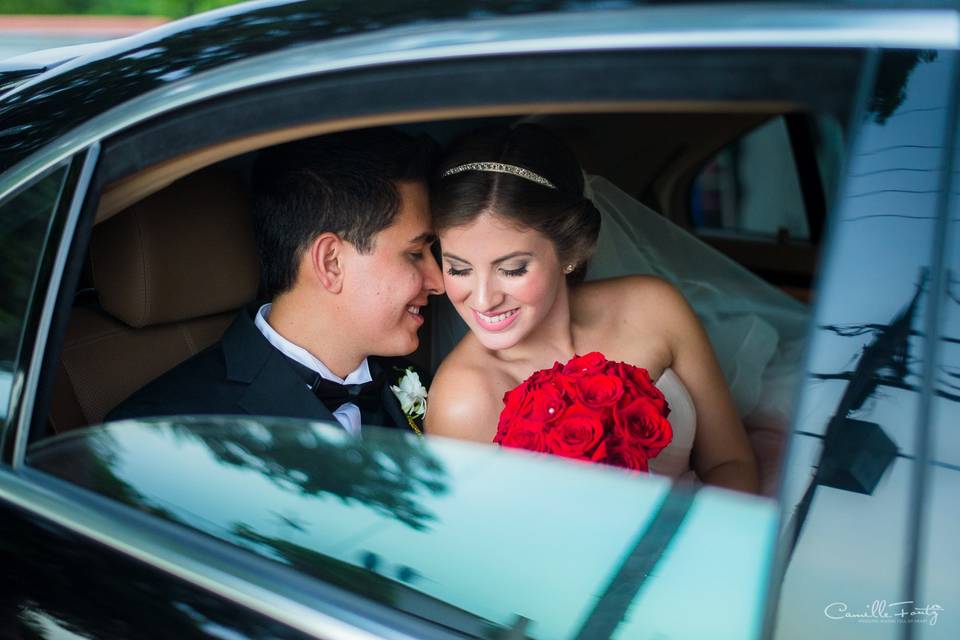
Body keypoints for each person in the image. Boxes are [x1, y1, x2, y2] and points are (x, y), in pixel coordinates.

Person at [424, 124, 759, 493]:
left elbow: (731, 462)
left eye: (512, 269)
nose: (484, 299)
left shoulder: (653, 307)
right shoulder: (463, 400)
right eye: (458, 268)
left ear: (571, 251)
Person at [108, 128, 444, 436]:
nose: (439, 281)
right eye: (415, 253)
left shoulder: (431, 389)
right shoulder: (156, 435)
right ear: (331, 262)